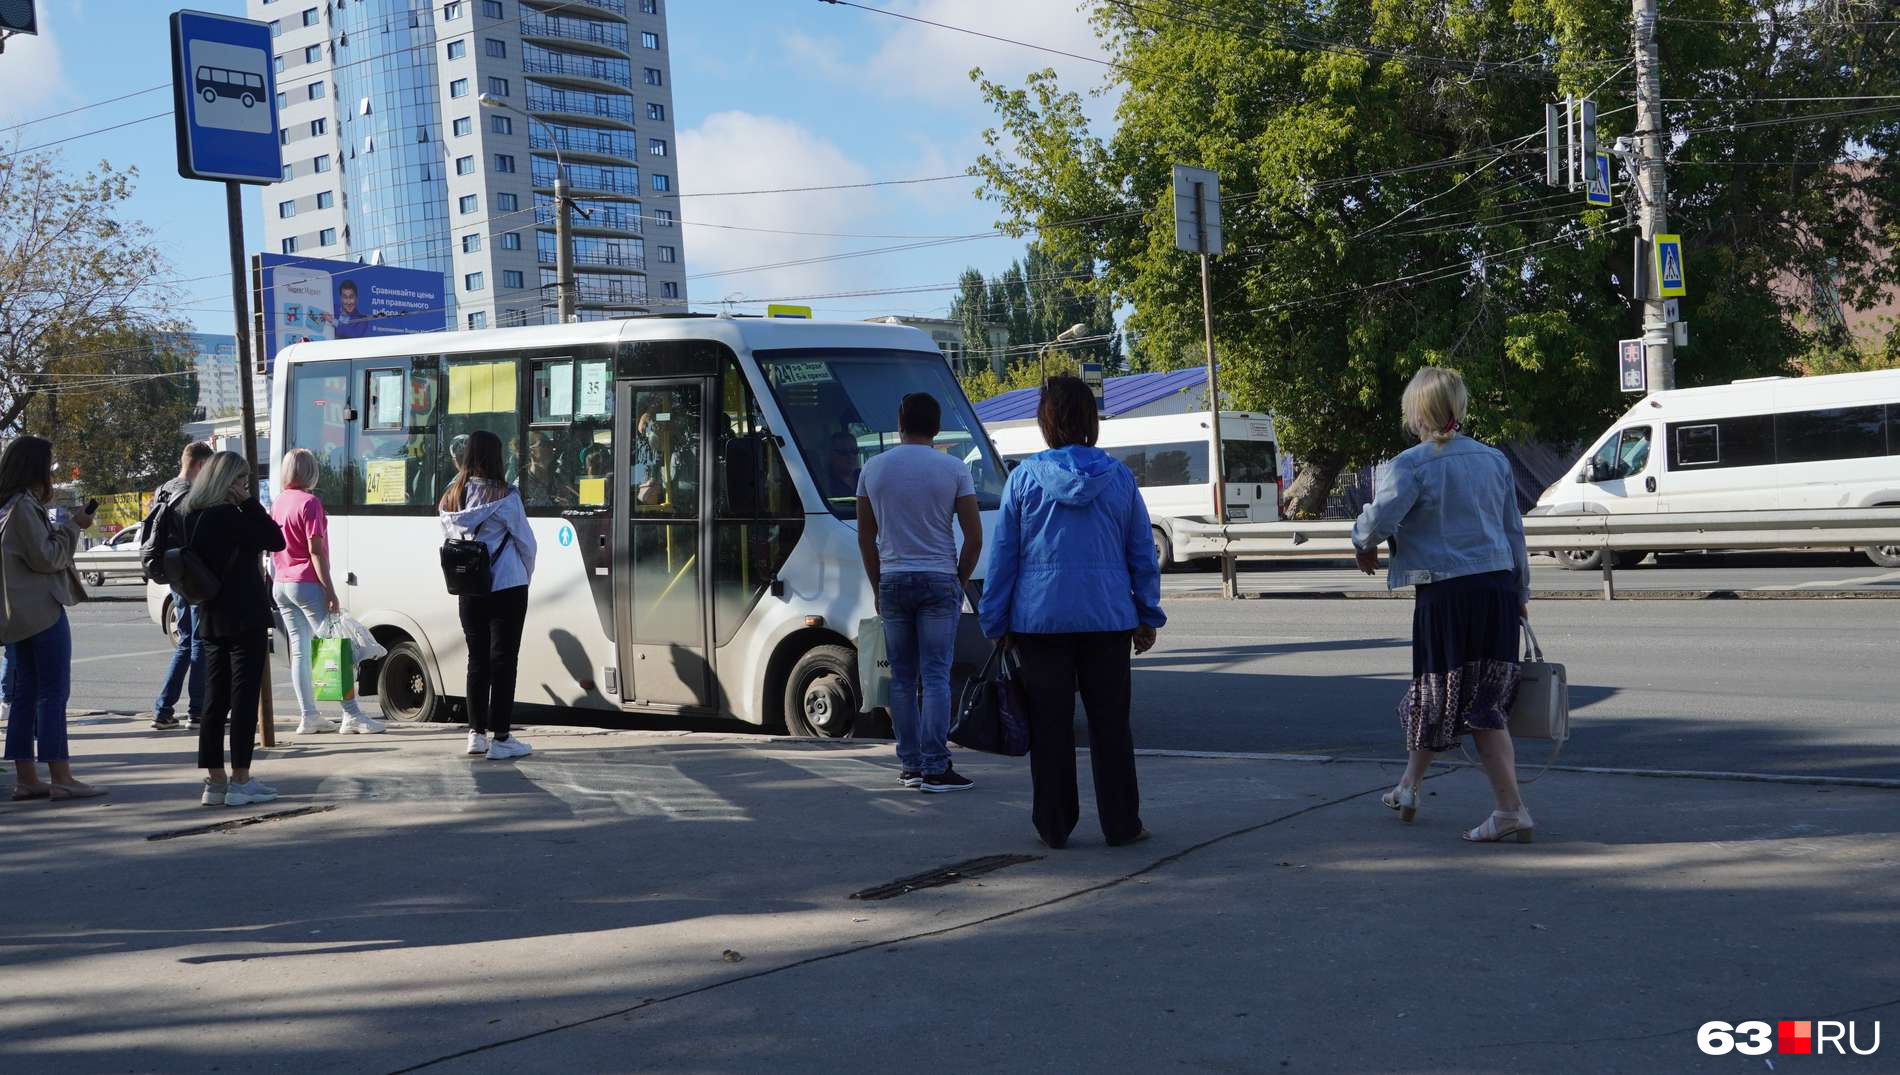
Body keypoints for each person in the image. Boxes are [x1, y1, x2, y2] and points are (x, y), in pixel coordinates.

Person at [1351, 366, 1535, 844]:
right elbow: (1513, 530)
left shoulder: (1411, 464)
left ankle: (1511, 808)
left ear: (1419, 412)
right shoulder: (1493, 459)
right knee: (1452, 696)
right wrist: (1520, 594)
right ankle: (1409, 786)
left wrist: (1362, 542)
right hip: (1497, 589)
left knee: (1470, 703)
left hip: (1447, 593)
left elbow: (1380, 519)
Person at [980, 376, 1163, 848]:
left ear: (1047, 422)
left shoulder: (1023, 480)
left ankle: (1055, 826)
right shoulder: (1119, 478)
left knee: (1051, 728)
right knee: (1110, 728)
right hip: (1107, 622)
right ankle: (1122, 825)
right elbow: (1141, 553)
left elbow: (1004, 559)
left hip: (1039, 625)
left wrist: (995, 622)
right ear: (1090, 420)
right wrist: (1147, 615)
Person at [855, 393, 983, 793]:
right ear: (936, 425)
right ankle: (935, 765)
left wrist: (879, 585)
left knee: (902, 680)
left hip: (893, 580)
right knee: (936, 676)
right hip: (939, 579)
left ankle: (909, 765)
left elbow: (865, 536)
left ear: (900, 422)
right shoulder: (953, 469)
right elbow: (974, 537)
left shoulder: (873, 469)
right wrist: (958, 580)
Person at [180, 451, 287, 807]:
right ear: (227, 482)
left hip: (210, 616)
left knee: (214, 701)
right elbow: (275, 539)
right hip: (245, 616)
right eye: (241, 480)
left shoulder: (192, 516)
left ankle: (214, 781)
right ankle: (241, 779)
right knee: (243, 700)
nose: (245, 485)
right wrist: (251, 504)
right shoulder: (230, 516)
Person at [0, 436, 104, 801]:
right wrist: (75, 526)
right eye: (49, 464)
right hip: (41, 611)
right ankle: (61, 776)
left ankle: (26, 778)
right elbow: (47, 558)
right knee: (52, 694)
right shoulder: (23, 507)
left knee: (26, 694)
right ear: (35, 468)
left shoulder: (8, 505)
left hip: (17, 615)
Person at [271, 448, 386, 735]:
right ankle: (352, 715)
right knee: (334, 649)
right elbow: (316, 551)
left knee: (300, 651)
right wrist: (330, 590)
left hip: (282, 583)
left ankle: (309, 715)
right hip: (307, 583)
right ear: (311, 472)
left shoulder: (279, 503)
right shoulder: (310, 503)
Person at [439, 429, 537, 760]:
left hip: (469, 588)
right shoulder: (506, 496)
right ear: (497, 457)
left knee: (476, 661)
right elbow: (526, 542)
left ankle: (476, 734)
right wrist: (526, 573)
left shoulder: (451, 496)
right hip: (507, 585)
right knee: (504, 661)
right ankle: (502, 738)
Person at [146, 441, 213, 731]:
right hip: (191, 574)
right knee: (197, 642)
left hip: (173, 573)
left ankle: (163, 709)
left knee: (186, 641)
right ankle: (197, 710)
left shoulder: (164, 488)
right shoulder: (189, 495)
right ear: (199, 465)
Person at [826, 432, 862, 500]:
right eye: (844, 452)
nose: (851, 456)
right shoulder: (825, 484)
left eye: (854, 451)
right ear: (831, 454)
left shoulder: (864, 476)